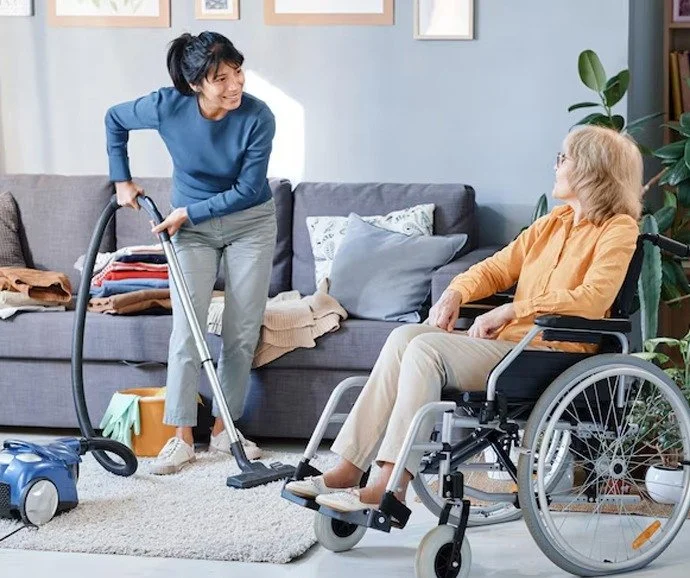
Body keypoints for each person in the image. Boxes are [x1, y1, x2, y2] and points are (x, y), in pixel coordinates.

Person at [286, 125, 643, 512]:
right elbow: (494, 268)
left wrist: (513, 309)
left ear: (590, 170)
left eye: (564, 158)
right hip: (511, 348)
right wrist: (456, 292)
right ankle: (348, 468)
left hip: (552, 353)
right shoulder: (551, 224)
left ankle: (389, 486)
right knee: (405, 336)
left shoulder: (618, 229)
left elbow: (593, 299)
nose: (555, 165)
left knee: (424, 350)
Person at [105, 31, 277, 475]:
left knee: (241, 331)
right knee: (188, 330)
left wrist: (188, 212)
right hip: (191, 231)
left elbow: (249, 190)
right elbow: (114, 118)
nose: (235, 84)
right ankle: (180, 437)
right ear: (196, 83)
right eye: (221, 78)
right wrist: (121, 180)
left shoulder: (258, 117)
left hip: (249, 224)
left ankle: (224, 430)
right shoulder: (167, 106)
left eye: (237, 71)